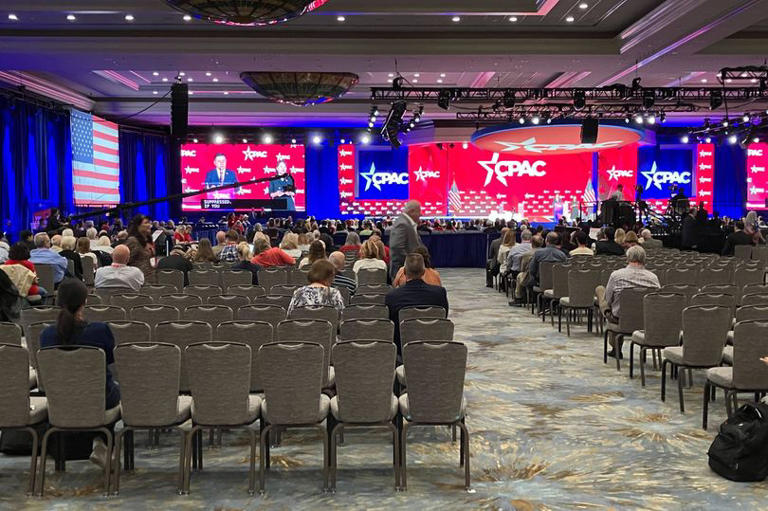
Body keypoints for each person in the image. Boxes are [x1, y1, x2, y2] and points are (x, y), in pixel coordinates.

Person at [40, 278, 120, 468]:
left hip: (60, 399)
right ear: (85, 301)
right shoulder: (100, 330)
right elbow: (110, 360)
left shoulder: (46, 335)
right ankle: (101, 440)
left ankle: (98, 441)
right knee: (114, 390)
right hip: (98, 398)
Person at [595, 245, 660, 358]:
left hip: (620, 319)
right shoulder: (653, 277)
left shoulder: (616, 275)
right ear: (644, 259)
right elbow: (656, 300)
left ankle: (616, 347)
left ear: (628, 258)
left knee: (601, 291)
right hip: (645, 319)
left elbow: (608, 300)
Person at [385, 253, 449, 352]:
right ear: (424, 272)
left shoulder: (392, 296)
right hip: (433, 348)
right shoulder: (439, 293)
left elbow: (390, 324)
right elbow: (443, 318)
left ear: (404, 272)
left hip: (402, 350)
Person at [388, 200, 422, 279]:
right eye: (419, 211)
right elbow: (396, 247)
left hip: (407, 271)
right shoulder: (402, 224)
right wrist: (412, 263)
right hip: (403, 271)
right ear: (412, 211)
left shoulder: (407, 223)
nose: (421, 214)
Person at [126, 214, 155, 281]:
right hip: (138, 279)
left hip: (151, 277)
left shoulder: (148, 240)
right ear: (138, 226)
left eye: (149, 223)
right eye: (146, 223)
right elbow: (126, 261)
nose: (149, 225)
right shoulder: (133, 241)